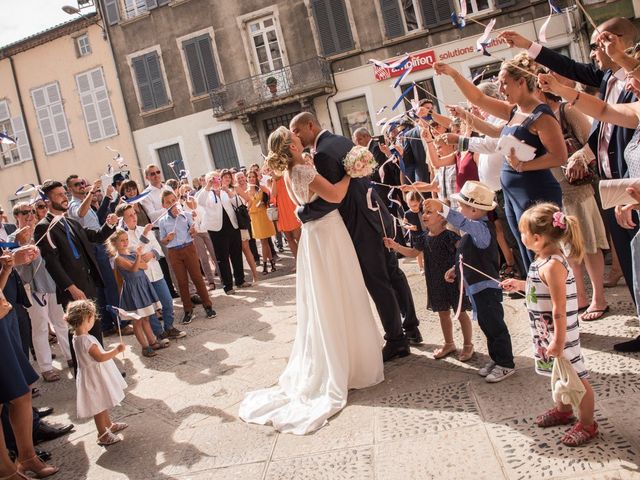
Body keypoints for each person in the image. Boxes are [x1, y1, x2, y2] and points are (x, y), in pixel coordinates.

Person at [239, 126, 383, 434]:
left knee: (329, 298)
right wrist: (351, 172)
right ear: (290, 148)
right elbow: (336, 195)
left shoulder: (292, 171)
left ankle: (343, 356)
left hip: (315, 235)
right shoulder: (301, 170)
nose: (298, 139)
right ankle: (349, 364)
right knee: (341, 293)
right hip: (328, 233)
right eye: (294, 139)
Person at [500, 19, 639, 299]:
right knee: (630, 259)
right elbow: (600, 110)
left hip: (629, 181)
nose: (594, 52)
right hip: (613, 183)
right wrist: (528, 46)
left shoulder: (629, 80)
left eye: (600, 44)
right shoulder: (606, 78)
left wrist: (624, 60)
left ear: (622, 41)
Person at [290, 112, 421, 360]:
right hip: (376, 213)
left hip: (360, 222)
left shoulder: (324, 153)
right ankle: (411, 326)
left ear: (310, 125)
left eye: (297, 130)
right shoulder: (341, 141)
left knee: (378, 281)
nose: (295, 136)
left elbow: (333, 199)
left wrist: (303, 212)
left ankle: (396, 339)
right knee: (393, 273)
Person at [537, 37, 640, 350]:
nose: (631, 83)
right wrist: (564, 91)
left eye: (635, 76)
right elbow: (605, 110)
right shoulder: (636, 109)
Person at [434, 54, 566, 271]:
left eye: (504, 83)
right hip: (513, 193)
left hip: (534, 191)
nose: (501, 88)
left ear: (521, 82)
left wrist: (523, 166)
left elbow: (559, 156)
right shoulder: (514, 111)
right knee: (526, 251)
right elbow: (484, 109)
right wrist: (453, 74)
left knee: (541, 251)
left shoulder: (541, 115)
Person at [502, 204, 597, 446]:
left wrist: (558, 340)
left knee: (577, 378)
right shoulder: (540, 260)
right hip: (546, 331)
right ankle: (563, 409)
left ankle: (587, 424)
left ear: (537, 238)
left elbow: (559, 308)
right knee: (557, 374)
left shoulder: (553, 265)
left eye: (522, 232)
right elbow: (538, 288)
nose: (520, 236)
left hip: (559, 333)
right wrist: (520, 285)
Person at [426, 181, 515, 382]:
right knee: (487, 326)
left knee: (495, 327)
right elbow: (466, 257)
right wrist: (455, 270)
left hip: (487, 288)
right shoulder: (473, 230)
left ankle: (506, 363)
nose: (459, 209)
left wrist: (443, 209)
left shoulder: (481, 228)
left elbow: (462, 223)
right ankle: (497, 359)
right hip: (476, 288)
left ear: (474, 209)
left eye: (462, 206)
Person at [34, 180, 118, 370]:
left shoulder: (71, 222)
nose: (65, 197)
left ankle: (103, 370)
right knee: (79, 334)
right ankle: (85, 373)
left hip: (88, 282)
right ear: (47, 200)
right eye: (59, 195)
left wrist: (109, 225)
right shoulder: (44, 227)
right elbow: (52, 263)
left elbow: (95, 237)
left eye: (65, 193)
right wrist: (70, 287)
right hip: (73, 289)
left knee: (95, 328)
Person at [384, 200, 474, 361]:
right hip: (435, 280)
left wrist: (457, 270)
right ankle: (449, 343)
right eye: (423, 212)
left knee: (460, 312)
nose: (424, 215)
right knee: (442, 313)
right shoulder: (423, 238)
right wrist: (396, 246)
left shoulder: (450, 236)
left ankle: (468, 345)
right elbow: (412, 253)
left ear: (441, 217)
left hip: (452, 280)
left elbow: (463, 255)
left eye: (429, 212)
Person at [0, 250, 59, 479]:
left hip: (5, 321)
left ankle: (27, 458)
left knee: (21, 394)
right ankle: (6, 470)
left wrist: (6, 269)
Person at [10, 203, 72, 380]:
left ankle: (70, 357)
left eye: (31, 211)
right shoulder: (15, 237)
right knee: (40, 329)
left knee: (61, 322)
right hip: (34, 288)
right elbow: (17, 267)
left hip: (53, 284)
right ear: (17, 217)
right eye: (24, 213)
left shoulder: (41, 230)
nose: (29, 215)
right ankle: (46, 368)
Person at [116, 204, 186, 342]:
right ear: (123, 219)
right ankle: (159, 333)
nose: (134, 217)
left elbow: (158, 248)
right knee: (150, 308)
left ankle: (169, 327)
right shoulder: (123, 237)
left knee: (167, 302)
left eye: (134, 214)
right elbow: (134, 253)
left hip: (156, 273)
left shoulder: (144, 229)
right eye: (129, 215)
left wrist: (153, 253)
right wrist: (144, 240)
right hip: (142, 278)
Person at [66, 175, 125, 337]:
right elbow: (80, 213)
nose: (81, 186)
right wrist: (92, 192)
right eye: (77, 184)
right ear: (69, 189)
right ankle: (121, 323)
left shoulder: (86, 202)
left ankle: (106, 324)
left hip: (98, 243)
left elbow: (95, 222)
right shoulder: (73, 204)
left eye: (83, 183)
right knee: (109, 285)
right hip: (93, 247)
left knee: (103, 287)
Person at [65, 300, 128, 446]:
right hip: (94, 376)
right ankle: (103, 434)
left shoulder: (76, 337)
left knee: (102, 402)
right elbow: (100, 357)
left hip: (90, 374)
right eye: (93, 317)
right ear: (87, 319)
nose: (94, 320)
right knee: (98, 406)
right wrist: (116, 351)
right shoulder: (87, 340)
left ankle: (108, 424)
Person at [158, 190, 216, 324]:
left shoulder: (186, 215)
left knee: (197, 278)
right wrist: (168, 238)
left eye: (173, 200)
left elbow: (194, 231)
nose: (172, 204)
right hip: (174, 252)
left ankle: (208, 305)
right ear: (164, 205)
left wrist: (193, 231)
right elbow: (163, 240)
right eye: (168, 202)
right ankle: (188, 310)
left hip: (188, 248)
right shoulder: (162, 221)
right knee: (181, 281)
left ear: (177, 201)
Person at [107, 230, 165, 357]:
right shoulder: (118, 259)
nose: (125, 242)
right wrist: (139, 258)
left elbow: (145, 266)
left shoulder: (132, 254)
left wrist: (137, 260)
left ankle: (152, 342)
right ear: (115, 244)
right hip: (133, 290)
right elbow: (133, 269)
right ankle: (145, 347)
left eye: (126, 239)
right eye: (121, 240)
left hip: (143, 286)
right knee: (137, 321)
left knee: (146, 317)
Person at [196, 173, 250, 295]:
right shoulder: (206, 193)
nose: (216, 180)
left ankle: (240, 280)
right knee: (223, 258)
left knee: (236, 254)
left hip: (232, 225)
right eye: (213, 179)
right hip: (217, 230)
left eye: (217, 178)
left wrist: (228, 191)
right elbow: (199, 202)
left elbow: (238, 204)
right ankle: (228, 286)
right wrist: (208, 186)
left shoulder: (225, 190)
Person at [239, 171, 276, 274]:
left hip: (264, 216)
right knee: (264, 242)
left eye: (253, 177)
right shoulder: (246, 193)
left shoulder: (262, 188)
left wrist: (264, 201)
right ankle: (272, 262)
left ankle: (265, 265)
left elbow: (271, 198)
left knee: (264, 242)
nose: (251, 179)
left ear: (256, 178)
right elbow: (245, 207)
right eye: (249, 177)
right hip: (254, 219)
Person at [268, 171, 301, 259]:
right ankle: (297, 262)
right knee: (289, 239)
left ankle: (305, 261)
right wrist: (274, 179)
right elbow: (273, 194)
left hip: (292, 208)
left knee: (299, 237)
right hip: (282, 212)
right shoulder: (270, 180)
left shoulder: (287, 174)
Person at [403, 191, 424, 274]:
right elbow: (404, 224)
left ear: (419, 202)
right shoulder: (407, 214)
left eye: (415, 205)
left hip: (425, 233)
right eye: (410, 205)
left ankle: (427, 266)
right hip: (416, 236)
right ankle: (421, 268)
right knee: (418, 253)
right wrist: (410, 227)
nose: (413, 207)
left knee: (426, 251)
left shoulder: (423, 210)